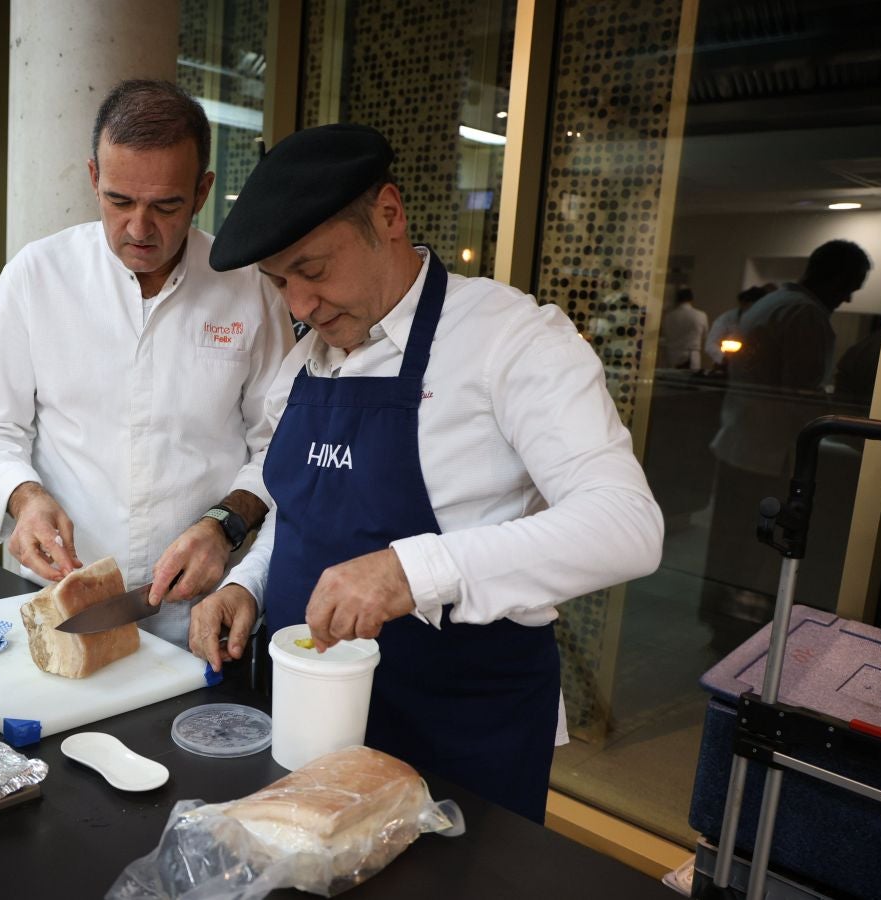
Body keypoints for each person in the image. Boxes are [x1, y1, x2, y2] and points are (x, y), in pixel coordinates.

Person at [179, 124, 663, 824]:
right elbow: (301, 508)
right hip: (312, 731)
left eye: (313, 270)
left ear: (388, 214)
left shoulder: (512, 339)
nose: (300, 307)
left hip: (454, 742)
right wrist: (245, 584)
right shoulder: (307, 357)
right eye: (279, 282)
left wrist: (411, 571)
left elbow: (627, 525)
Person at [0, 80, 293, 647]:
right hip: (61, 600)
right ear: (94, 177)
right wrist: (24, 496)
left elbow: (280, 443)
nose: (140, 229)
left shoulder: (249, 288)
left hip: (200, 607)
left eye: (166, 206)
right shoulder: (37, 276)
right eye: (119, 201)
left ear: (203, 190)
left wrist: (225, 525)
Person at [702, 241, 872, 644]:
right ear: (832, 277)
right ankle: (743, 634)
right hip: (768, 452)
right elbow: (800, 396)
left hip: (740, 443)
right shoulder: (806, 315)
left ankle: (723, 625)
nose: (847, 298)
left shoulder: (773, 302)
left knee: (731, 545)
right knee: (758, 551)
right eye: (849, 286)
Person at [704, 283, 773, 367]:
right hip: (725, 364)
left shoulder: (765, 319)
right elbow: (710, 344)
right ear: (742, 303)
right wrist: (724, 358)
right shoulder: (726, 318)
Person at [659, 287, 709, 369]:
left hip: (671, 354)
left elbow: (664, 334)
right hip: (691, 354)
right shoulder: (701, 315)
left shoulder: (669, 316)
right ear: (691, 299)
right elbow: (705, 335)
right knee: (689, 380)